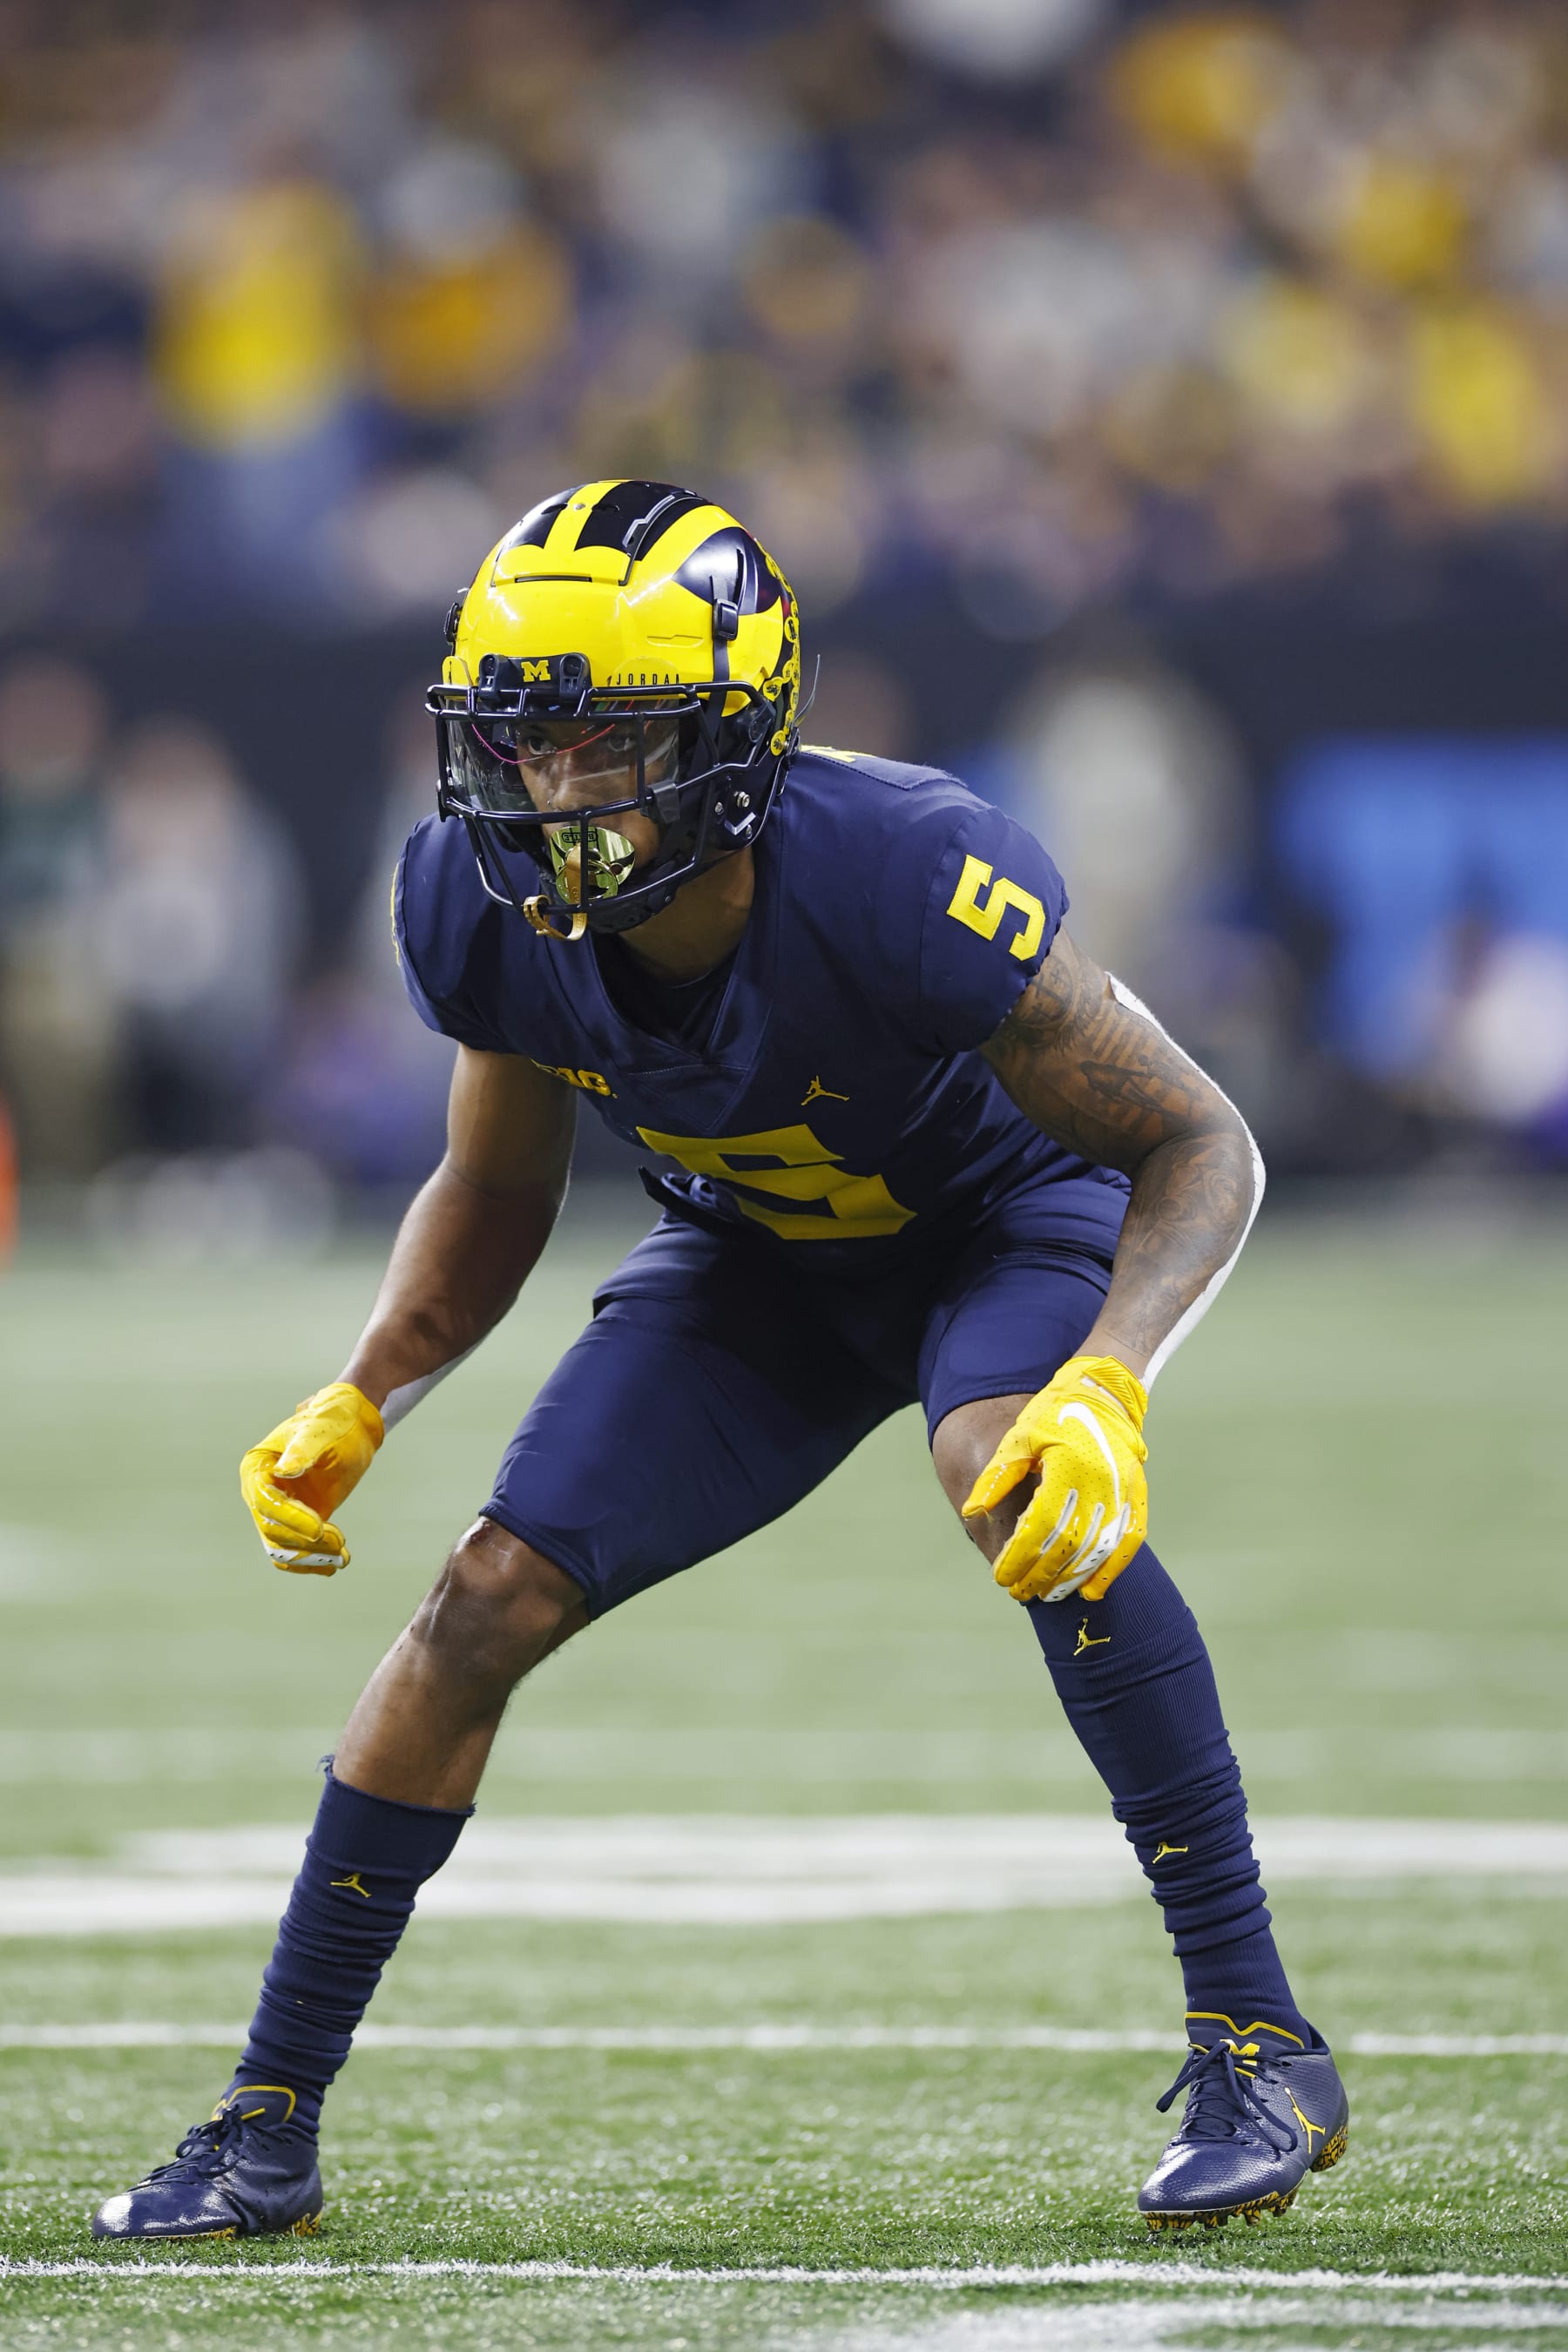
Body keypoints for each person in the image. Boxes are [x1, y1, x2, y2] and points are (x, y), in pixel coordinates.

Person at [92, 478, 1348, 2243]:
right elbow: (495, 1177)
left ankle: (1258, 2036)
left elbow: (1199, 1141)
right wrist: (372, 1387)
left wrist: (1114, 1379)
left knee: (1010, 1469)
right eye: (523, 741)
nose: (552, 787)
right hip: (758, 1265)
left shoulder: (906, 871)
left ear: (736, 726)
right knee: (477, 1603)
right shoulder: (482, 902)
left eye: (606, 738)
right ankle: (262, 2120)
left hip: (1004, 1223)